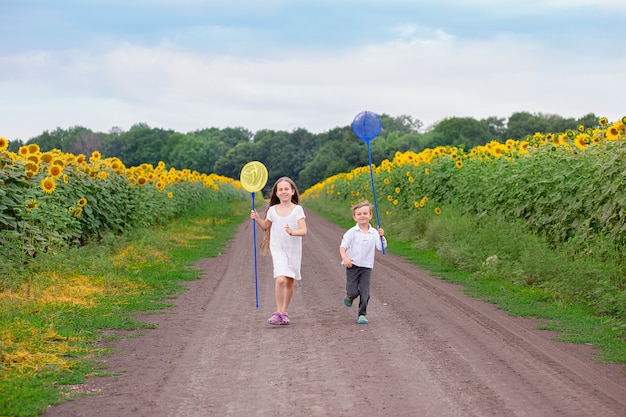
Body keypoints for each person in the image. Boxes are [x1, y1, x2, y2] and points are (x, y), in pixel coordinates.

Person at [251, 177, 307, 325]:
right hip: (278, 249)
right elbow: (265, 226)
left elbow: (304, 230)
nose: (283, 192)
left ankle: (284, 312)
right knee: (281, 278)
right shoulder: (272, 210)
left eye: (286, 189)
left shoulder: (297, 210)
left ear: (292, 191)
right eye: (280, 189)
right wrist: (257, 218)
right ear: (276, 193)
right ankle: (278, 312)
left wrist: (292, 232)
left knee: (289, 281)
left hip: (293, 249)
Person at [339, 200, 386, 324]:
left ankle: (362, 314)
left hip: (366, 267)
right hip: (352, 265)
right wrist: (345, 258)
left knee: (365, 292)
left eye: (365, 213)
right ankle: (350, 297)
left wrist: (382, 237)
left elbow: (381, 247)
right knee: (353, 291)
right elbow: (342, 247)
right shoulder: (351, 232)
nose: (362, 216)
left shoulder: (374, 232)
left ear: (370, 215)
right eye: (359, 214)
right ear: (355, 217)